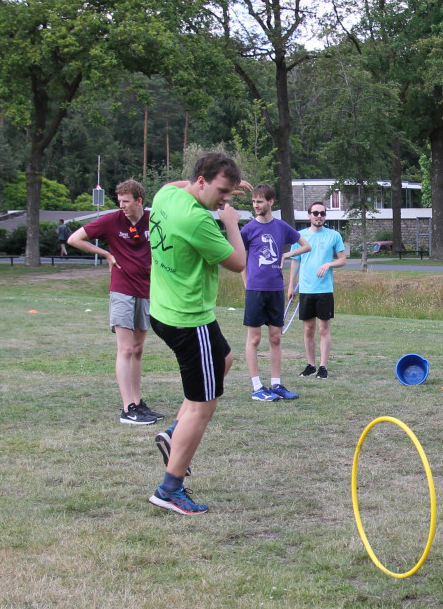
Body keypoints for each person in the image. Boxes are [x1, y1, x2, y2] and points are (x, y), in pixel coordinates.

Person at [146, 153, 249, 514]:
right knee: (204, 406)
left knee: (225, 359)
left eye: (231, 194)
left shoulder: (167, 196)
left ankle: (174, 434)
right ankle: (169, 489)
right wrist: (231, 222)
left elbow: (174, 184)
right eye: (222, 191)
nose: (225, 200)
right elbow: (238, 262)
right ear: (202, 181)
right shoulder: (196, 221)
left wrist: (226, 193)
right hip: (190, 321)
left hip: (162, 310)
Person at [66, 179, 164, 426]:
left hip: (146, 290)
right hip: (122, 290)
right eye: (119, 201)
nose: (122, 206)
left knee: (139, 349)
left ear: (139, 201)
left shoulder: (153, 219)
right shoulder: (111, 221)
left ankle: (138, 403)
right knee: (126, 349)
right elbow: (74, 239)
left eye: (126, 202)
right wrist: (107, 254)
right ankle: (127, 408)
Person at [241, 184, 310, 401]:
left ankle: (276, 384)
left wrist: (286, 255)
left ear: (271, 202)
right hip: (255, 290)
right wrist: (247, 284)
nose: (256, 205)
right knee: (254, 339)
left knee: (275, 338)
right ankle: (256, 387)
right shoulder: (248, 230)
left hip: (275, 290)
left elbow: (306, 246)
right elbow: (241, 261)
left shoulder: (281, 227)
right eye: (253, 202)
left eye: (260, 201)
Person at [287, 200, 347, 380]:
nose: (319, 216)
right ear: (309, 215)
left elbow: (342, 260)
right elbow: (295, 262)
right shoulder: (299, 236)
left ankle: (323, 367)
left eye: (322, 213)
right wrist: (291, 285)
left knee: (323, 329)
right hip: (306, 288)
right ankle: (310, 365)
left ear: (325, 216)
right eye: (315, 213)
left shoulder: (333, 235)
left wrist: (329, 264)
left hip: (325, 290)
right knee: (308, 329)